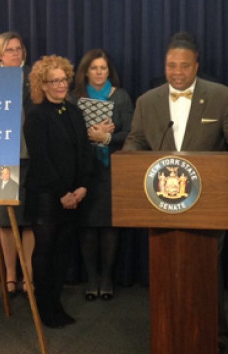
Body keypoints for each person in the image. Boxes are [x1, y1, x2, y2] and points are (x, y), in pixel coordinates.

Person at [123, 32, 228, 354]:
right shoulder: (147, 101)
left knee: (206, 271)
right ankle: (168, 338)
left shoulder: (221, 96)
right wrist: (127, 162)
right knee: (167, 271)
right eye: (171, 65)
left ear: (197, 65)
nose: (177, 71)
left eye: (184, 65)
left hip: (208, 203)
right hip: (159, 205)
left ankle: (214, 337)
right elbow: (136, 140)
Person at [23, 55, 93, 328]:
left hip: (74, 195)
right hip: (47, 197)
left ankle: (55, 302)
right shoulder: (36, 116)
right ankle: (43, 306)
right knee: (45, 251)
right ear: (43, 85)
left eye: (64, 79)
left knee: (63, 251)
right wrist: (63, 193)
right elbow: (41, 159)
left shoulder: (74, 112)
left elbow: (84, 154)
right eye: (54, 81)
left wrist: (83, 186)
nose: (61, 85)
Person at [68, 49, 134, 301]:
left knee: (108, 225)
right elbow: (69, 135)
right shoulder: (75, 98)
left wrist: (105, 137)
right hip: (83, 170)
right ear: (85, 71)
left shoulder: (122, 97)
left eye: (103, 68)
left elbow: (131, 133)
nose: (98, 72)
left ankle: (106, 277)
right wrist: (89, 134)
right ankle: (91, 277)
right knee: (86, 226)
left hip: (111, 170)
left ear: (109, 71)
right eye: (93, 68)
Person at [0, 32, 35, 299]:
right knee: (6, 221)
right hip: (2, 159)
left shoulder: (34, 77)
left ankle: (28, 273)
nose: (16, 53)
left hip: (31, 155)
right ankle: (10, 274)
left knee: (28, 219)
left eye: (19, 49)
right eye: (10, 50)